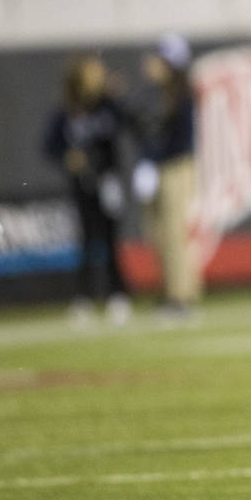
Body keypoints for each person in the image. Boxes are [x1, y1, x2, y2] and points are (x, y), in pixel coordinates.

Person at [42, 53, 132, 325]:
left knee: (110, 238)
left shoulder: (106, 105)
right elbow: (50, 146)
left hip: (108, 181)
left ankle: (118, 294)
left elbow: (128, 122)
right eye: (93, 71)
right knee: (85, 238)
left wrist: (116, 97)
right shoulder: (67, 109)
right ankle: (84, 296)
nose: (99, 74)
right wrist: (69, 157)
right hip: (82, 184)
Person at [132, 33, 200, 320]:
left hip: (175, 168)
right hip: (158, 167)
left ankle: (181, 296)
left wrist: (153, 160)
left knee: (173, 234)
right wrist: (147, 162)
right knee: (156, 234)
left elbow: (178, 141)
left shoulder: (182, 96)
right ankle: (171, 291)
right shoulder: (155, 94)